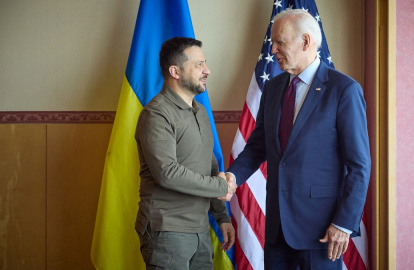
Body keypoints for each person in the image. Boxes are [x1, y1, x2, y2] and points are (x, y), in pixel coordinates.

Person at [226, 9, 371, 270]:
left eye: (280, 42)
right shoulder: (273, 87)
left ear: (305, 41)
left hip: (322, 231)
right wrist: (233, 177)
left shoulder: (344, 90)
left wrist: (343, 223)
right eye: (273, 42)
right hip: (277, 230)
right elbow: (258, 146)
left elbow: (359, 165)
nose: (274, 49)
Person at [134, 37, 237, 270]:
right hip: (167, 233)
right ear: (175, 71)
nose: (207, 70)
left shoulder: (199, 111)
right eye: (199, 64)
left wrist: (222, 217)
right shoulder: (156, 114)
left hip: (200, 230)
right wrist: (222, 187)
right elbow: (166, 173)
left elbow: (209, 164)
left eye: (205, 63)